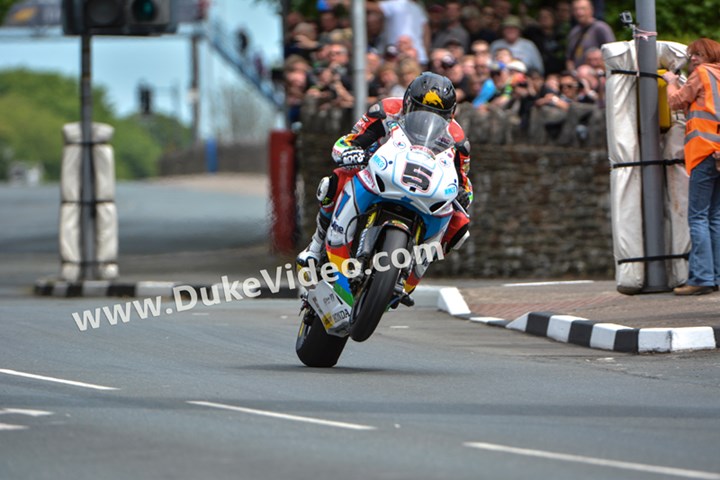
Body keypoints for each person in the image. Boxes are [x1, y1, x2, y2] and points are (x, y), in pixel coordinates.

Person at [296, 72, 473, 296]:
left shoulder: (458, 139)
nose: (427, 120)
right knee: (335, 180)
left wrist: (464, 195)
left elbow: (464, 181)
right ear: (408, 103)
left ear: (449, 115)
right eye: (420, 112)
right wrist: (350, 154)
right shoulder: (385, 110)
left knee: (460, 223)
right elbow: (346, 142)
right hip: (377, 169)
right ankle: (315, 245)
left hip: (421, 185)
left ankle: (414, 266)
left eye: (437, 115)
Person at [663, 38, 720, 295]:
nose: (693, 59)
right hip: (717, 152)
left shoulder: (702, 74)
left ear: (709, 55)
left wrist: (671, 82)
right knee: (715, 217)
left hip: (705, 151)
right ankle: (716, 276)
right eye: (691, 55)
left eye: (697, 54)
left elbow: (675, 102)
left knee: (698, 216)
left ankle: (701, 279)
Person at [565, 0, 615, 71]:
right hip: (578, 75)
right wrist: (573, 73)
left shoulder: (601, 28)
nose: (579, 13)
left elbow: (612, 53)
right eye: (576, 9)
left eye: (583, 9)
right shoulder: (573, 32)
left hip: (598, 74)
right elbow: (569, 59)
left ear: (591, 10)